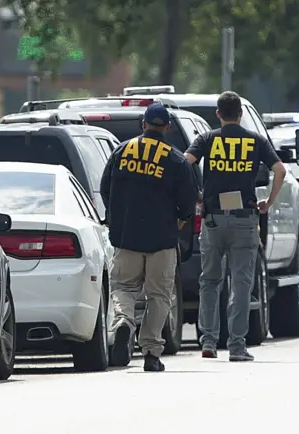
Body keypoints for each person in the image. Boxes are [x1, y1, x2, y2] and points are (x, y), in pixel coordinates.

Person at [184, 91, 286, 362]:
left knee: (209, 281)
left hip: (213, 218)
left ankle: (208, 341)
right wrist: (268, 201)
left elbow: (184, 163)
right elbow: (280, 170)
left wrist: (197, 195)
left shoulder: (207, 139)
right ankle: (237, 346)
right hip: (244, 218)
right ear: (240, 114)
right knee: (241, 283)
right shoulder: (255, 141)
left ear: (218, 114)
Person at [100, 103, 198, 372]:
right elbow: (189, 202)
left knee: (123, 288)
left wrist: (116, 218)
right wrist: (177, 222)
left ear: (143, 124)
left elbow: (104, 188)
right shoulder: (176, 159)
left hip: (126, 237)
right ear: (166, 127)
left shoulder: (122, 151)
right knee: (159, 296)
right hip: (162, 240)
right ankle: (151, 353)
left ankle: (123, 323)